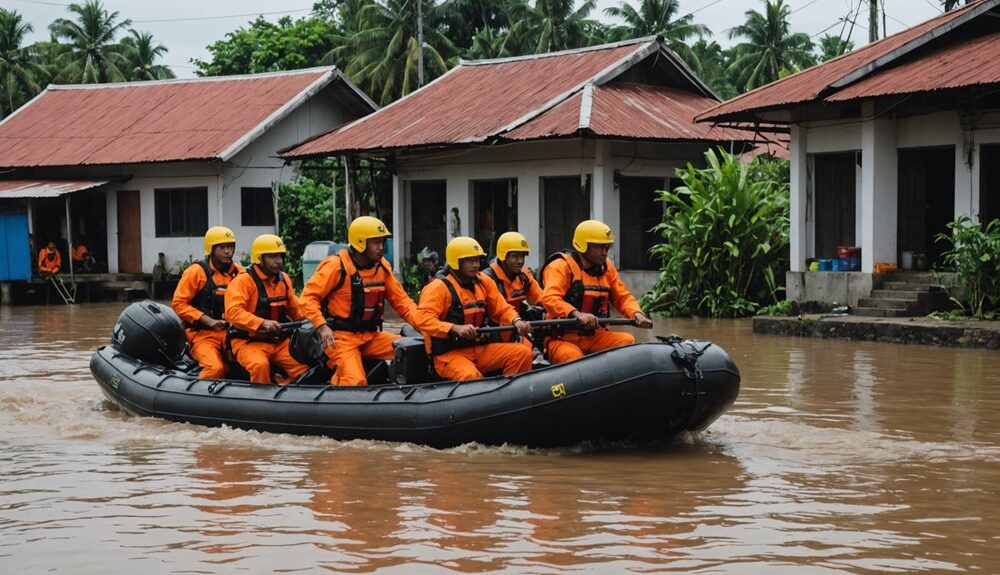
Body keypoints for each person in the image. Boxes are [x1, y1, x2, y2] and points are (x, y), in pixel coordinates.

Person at [300, 216, 421, 386]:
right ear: (360, 243)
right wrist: (322, 326)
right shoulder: (336, 266)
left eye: (382, 242)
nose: (381, 248)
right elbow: (307, 298)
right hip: (340, 339)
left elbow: (404, 304)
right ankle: (337, 382)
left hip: (371, 337)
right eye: (375, 243)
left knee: (413, 350)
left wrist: (426, 325)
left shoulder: (382, 267)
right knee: (356, 381)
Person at [415, 236, 533, 382]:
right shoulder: (438, 287)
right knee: (470, 376)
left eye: (477, 260)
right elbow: (422, 319)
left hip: (478, 349)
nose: (476, 265)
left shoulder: (483, 281)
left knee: (522, 353)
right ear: (456, 262)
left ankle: (507, 396)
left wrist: (516, 321)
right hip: (449, 355)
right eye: (470, 261)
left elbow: (501, 308)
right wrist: (454, 328)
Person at [540, 220, 653, 364]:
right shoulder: (560, 266)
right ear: (583, 246)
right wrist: (577, 314)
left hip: (595, 336)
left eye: (607, 247)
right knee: (572, 357)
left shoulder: (607, 269)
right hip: (563, 338)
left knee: (627, 340)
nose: (604, 252)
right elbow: (549, 299)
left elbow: (622, 297)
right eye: (599, 247)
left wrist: (636, 313)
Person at [224, 234, 308, 384]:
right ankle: (261, 403)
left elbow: (296, 310)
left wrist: (315, 319)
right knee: (260, 365)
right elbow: (233, 313)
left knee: (304, 368)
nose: (279, 262)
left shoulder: (284, 279)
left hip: (279, 342)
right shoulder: (243, 281)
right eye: (273, 257)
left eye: (280, 256)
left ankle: (283, 388)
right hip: (248, 342)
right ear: (259, 258)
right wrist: (262, 323)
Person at [171, 226, 244, 380]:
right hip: (202, 334)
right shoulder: (196, 272)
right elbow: (179, 304)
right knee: (215, 369)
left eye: (230, 247)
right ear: (211, 249)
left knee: (253, 363)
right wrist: (209, 321)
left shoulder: (240, 273)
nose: (228, 252)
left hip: (232, 334)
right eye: (222, 247)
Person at [482, 231, 543, 347]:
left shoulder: (524, 277)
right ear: (503, 256)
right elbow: (500, 309)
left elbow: (542, 298)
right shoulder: (487, 279)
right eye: (515, 256)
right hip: (493, 335)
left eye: (523, 256)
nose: (520, 261)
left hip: (516, 330)